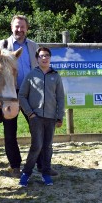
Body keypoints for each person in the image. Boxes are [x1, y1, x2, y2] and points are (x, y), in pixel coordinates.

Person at [2, 15, 58, 177]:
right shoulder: (3, 45)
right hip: (9, 94)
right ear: (11, 27)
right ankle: (15, 166)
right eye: (16, 26)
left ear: (27, 28)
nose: (19, 30)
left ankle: (42, 165)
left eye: (22, 27)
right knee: (9, 132)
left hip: (31, 94)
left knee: (38, 130)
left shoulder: (34, 46)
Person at [18, 47, 65, 187]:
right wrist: (30, 113)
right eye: (41, 56)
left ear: (50, 58)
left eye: (47, 56)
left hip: (51, 118)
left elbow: (60, 97)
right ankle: (26, 173)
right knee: (37, 146)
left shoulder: (55, 76)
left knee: (47, 146)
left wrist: (59, 116)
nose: (44, 58)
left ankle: (45, 173)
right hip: (36, 117)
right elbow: (21, 95)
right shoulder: (31, 75)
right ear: (37, 59)